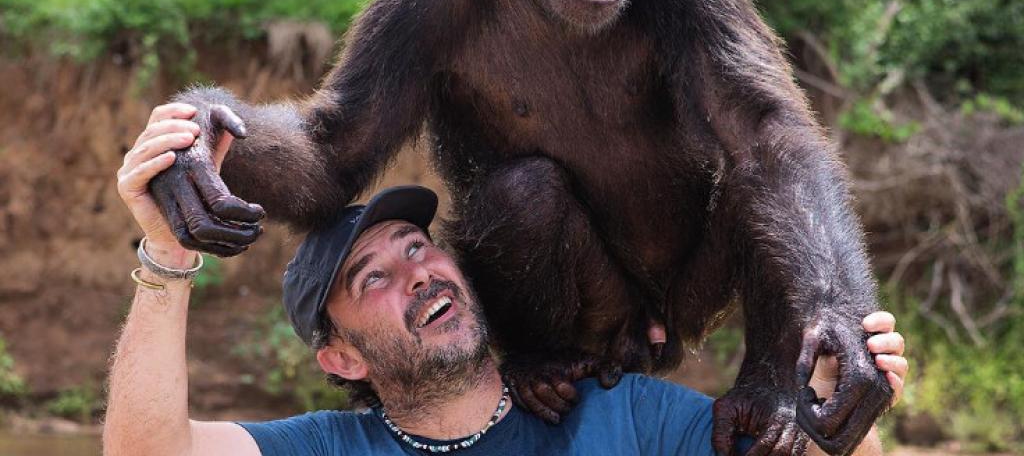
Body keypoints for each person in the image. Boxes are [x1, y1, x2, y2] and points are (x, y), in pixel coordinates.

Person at [104, 104, 909, 456]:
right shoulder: (330, 446)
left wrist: (841, 402)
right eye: (372, 278)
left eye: (417, 247)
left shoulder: (626, 416)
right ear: (341, 358)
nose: (415, 273)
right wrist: (167, 256)